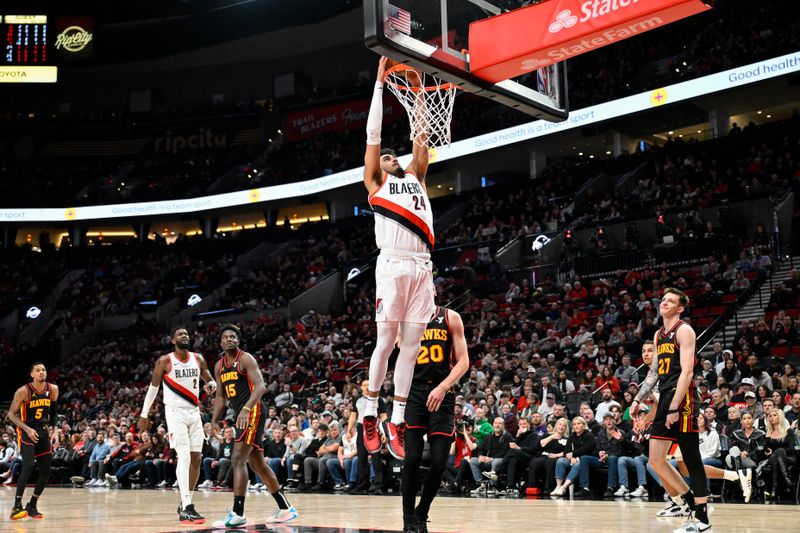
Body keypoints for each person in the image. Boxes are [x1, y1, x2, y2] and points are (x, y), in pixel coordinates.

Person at [362, 56, 437, 461]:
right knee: (386, 342)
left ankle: (398, 418)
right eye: (391, 158)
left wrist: (420, 92)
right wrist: (379, 82)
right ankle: (370, 411)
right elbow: (373, 136)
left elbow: (422, 137)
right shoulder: (376, 182)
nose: (396, 160)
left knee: (411, 346)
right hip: (391, 264)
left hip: (422, 267)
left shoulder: (418, 178)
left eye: (397, 157)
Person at [630, 288, 711, 533]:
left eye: (670, 301)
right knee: (655, 459)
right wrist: (637, 399)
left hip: (683, 399)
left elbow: (687, 372)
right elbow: (654, 373)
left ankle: (703, 520)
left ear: (680, 308)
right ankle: (687, 503)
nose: (664, 303)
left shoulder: (684, 330)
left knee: (691, 460)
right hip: (665, 398)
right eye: (663, 299)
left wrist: (675, 406)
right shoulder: (658, 335)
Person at [210, 324, 297, 527]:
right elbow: (221, 397)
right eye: (226, 337)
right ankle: (285, 509)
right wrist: (214, 420)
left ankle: (238, 513)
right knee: (257, 463)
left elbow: (260, 386)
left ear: (238, 341)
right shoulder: (219, 366)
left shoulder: (245, 358)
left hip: (254, 410)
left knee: (237, 458)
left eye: (233, 336)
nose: (230, 339)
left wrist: (247, 409)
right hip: (241, 413)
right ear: (221, 342)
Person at [137, 326, 216, 524]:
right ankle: (188, 506)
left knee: (197, 457)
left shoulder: (198, 359)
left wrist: (212, 384)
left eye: (186, 334)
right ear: (173, 340)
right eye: (180, 334)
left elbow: (209, 379)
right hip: (174, 412)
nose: (184, 336)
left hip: (194, 412)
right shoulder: (164, 361)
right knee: (184, 455)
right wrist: (144, 414)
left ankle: (185, 502)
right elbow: (153, 388)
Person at [401, 306, 469, 533]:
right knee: (411, 458)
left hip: (443, 393)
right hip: (414, 392)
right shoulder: (405, 319)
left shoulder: (451, 317)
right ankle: (408, 518)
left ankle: (422, 513)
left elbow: (463, 361)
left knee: (440, 462)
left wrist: (443, 387)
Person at [7, 362, 60, 520]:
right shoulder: (23, 391)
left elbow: (55, 412)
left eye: (44, 369)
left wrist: (55, 430)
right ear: (32, 374)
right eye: (38, 370)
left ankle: (32, 505)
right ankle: (17, 506)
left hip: (43, 432)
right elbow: (11, 414)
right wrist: (28, 429)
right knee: (29, 464)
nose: (42, 372)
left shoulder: (53, 389)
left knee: (46, 472)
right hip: (26, 431)